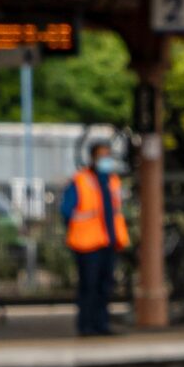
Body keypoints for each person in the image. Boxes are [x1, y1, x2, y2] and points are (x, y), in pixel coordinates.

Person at [58, 139, 129, 336]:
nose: (105, 160)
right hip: (86, 244)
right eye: (102, 156)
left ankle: (101, 324)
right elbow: (66, 210)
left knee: (105, 286)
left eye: (108, 155)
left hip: (108, 241)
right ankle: (86, 325)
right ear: (93, 157)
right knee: (88, 286)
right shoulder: (81, 180)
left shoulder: (112, 181)